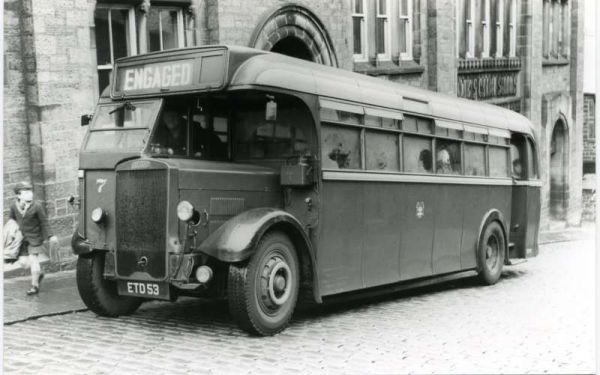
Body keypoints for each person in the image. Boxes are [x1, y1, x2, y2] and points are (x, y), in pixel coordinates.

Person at [8, 182, 58, 295]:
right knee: (23, 263)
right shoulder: (14, 206)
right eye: (26, 192)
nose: (30, 194)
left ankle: (34, 286)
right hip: (22, 239)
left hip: (35, 238)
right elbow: (11, 219)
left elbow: (44, 222)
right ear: (19, 195)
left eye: (30, 191)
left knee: (33, 260)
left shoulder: (37, 206)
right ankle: (38, 273)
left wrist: (51, 236)